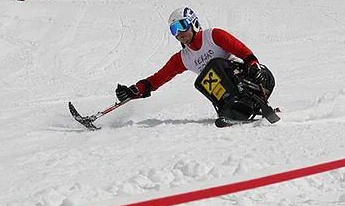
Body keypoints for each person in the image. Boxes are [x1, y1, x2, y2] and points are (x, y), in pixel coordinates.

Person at [115, 7, 277, 125]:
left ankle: (242, 104)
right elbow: (157, 79)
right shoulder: (183, 58)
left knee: (214, 66)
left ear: (193, 23)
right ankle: (232, 108)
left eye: (181, 26)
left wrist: (253, 65)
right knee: (202, 81)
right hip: (232, 95)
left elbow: (243, 51)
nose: (179, 33)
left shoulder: (213, 36)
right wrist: (134, 91)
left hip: (257, 81)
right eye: (174, 30)